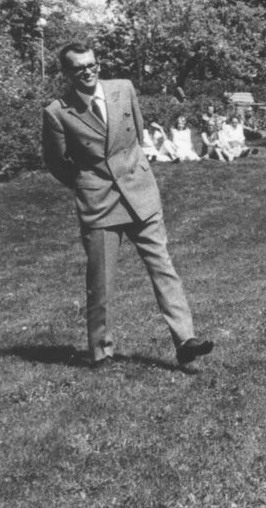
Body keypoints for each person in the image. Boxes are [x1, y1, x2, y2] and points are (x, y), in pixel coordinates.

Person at [41, 42, 215, 369]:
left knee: (163, 266)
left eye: (92, 65)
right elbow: (55, 161)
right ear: (67, 73)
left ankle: (186, 340)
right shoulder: (57, 111)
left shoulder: (124, 89)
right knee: (101, 283)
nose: (88, 72)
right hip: (99, 203)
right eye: (79, 68)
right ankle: (101, 353)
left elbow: (135, 132)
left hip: (141, 194)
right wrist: (86, 183)